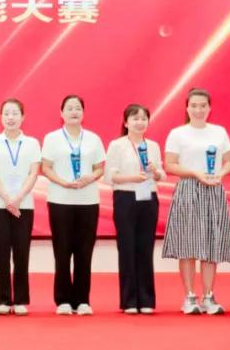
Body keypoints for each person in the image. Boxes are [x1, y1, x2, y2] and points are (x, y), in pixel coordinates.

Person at [161, 88, 230, 315]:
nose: (198, 109)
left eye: (203, 105)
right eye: (194, 105)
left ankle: (209, 296)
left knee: (210, 245)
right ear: (187, 108)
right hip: (188, 190)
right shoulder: (178, 133)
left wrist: (220, 174)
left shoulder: (219, 132)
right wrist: (196, 174)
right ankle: (189, 296)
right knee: (188, 246)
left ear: (209, 108)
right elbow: (170, 165)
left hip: (213, 189)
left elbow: (229, 161)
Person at [41, 95, 106, 316]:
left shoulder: (93, 139)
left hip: (88, 200)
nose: (74, 112)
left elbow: (99, 168)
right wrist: (62, 182)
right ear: (61, 113)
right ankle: (63, 300)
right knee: (62, 251)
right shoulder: (52, 138)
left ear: (83, 113)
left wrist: (90, 178)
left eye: (78, 108)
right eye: (69, 108)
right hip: (60, 199)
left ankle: (82, 300)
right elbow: (46, 167)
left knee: (84, 252)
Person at [103, 104, 167, 314]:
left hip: (149, 197)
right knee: (127, 248)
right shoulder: (117, 145)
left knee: (145, 249)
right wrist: (132, 177)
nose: (140, 123)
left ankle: (146, 300)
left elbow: (161, 174)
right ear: (126, 122)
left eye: (143, 119)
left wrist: (155, 172)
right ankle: (129, 301)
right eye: (135, 118)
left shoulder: (153, 145)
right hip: (126, 197)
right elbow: (109, 176)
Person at [0, 98, 41, 316]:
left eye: (15, 113)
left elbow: (33, 173)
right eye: (6, 113)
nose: (10, 117)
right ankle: (3, 299)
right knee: (1, 253)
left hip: (24, 205)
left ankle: (21, 300)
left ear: (23, 117)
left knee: (21, 253)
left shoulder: (32, 143)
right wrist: (7, 198)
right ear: (1, 117)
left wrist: (18, 198)